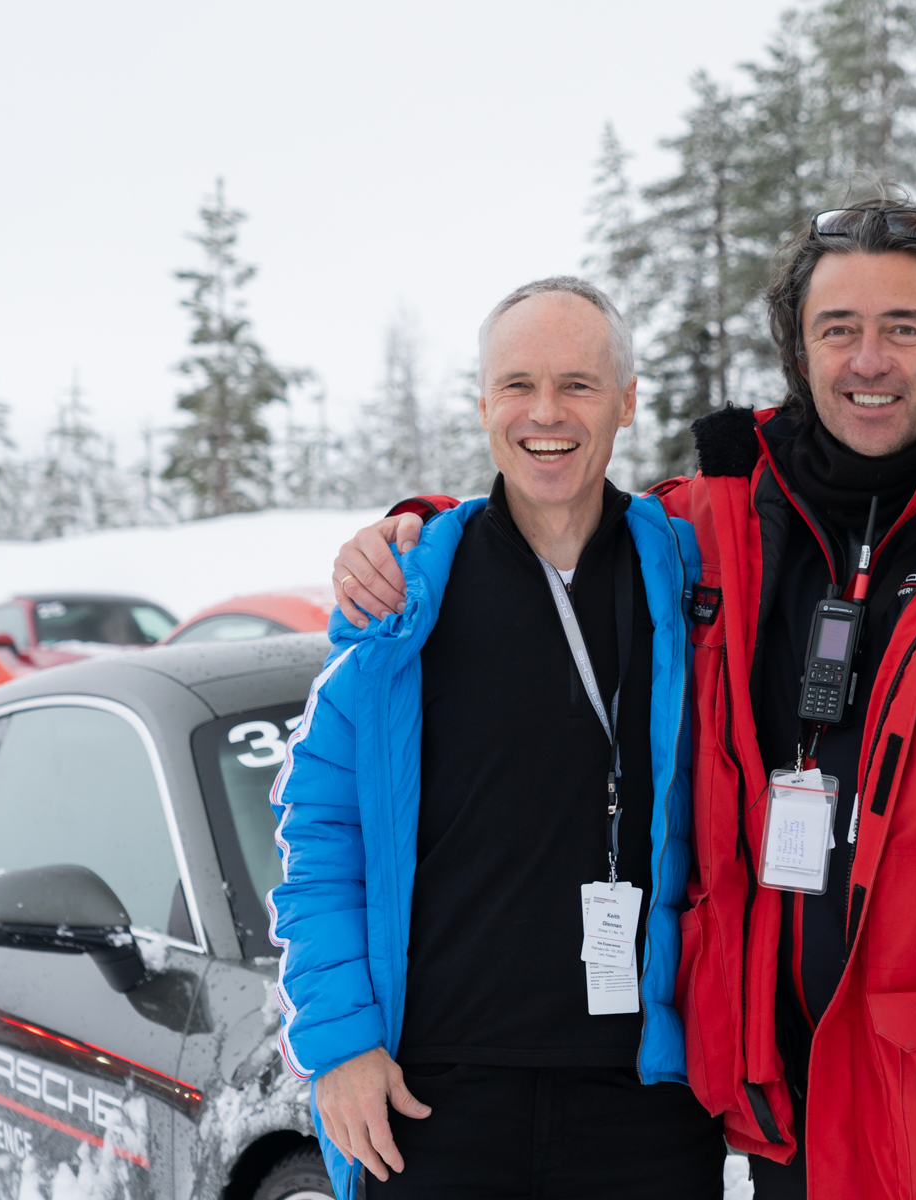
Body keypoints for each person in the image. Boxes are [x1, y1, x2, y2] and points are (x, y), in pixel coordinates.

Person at [333, 201, 916, 1199]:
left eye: (904, 327)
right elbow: (559, 517)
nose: (869, 359)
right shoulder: (724, 519)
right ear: (799, 350)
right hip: (791, 1108)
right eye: (838, 328)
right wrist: (414, 536)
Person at [270, 277, 723, 1199]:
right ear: (482, 403)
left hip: (647, 1102)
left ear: (626, 401)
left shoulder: (690, 578)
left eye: (577, 384)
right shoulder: (405, 599)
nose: (545, 413)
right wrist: (341, 1043)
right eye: (517, 385)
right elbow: (320, 833)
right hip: (433, 1099)